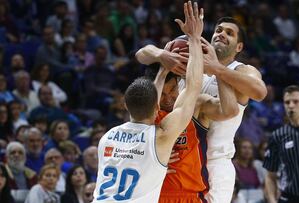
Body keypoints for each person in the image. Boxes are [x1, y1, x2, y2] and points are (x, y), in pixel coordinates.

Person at [136, 16, 267, 202]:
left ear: (239, 47)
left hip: (216, 163)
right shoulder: (192, 59)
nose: (222, 34)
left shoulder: (242, 70)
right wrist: (161, 55)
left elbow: (260, 92)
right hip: (183, 160)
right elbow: (141, 54)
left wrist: (218, 69)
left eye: (229, 33)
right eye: (219, 30)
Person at [92, 1, 204, 202]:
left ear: (125, 105)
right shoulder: (159, 137)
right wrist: (194, 38)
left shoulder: (107, 137)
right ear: (156, 106)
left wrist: (162, 70)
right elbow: (194, 85)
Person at [136, 44, 238, 201]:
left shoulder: (194, 104)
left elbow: (230, 111)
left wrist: (218, 69)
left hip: (189, 195)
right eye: (162, 94)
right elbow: (141, 53)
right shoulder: (143, 115)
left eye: (172, 90)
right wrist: (152, 157)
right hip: (154, 194)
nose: (169, 98)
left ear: (179, 84)